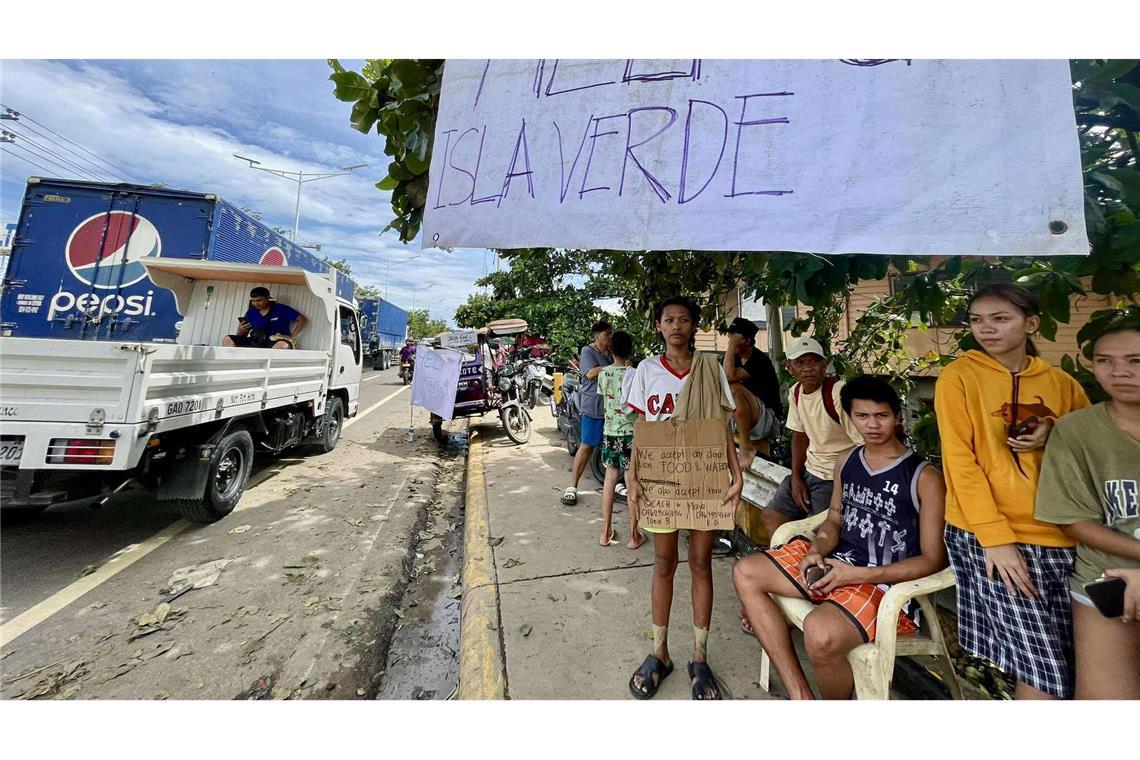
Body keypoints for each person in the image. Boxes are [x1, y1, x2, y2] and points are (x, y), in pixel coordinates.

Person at [733, 375, 947, 699]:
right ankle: (800, 695)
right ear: (850, 418)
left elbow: (933, 560)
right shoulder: (847, 462)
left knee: (821, 635)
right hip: (837, 563)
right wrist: (816, 550)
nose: (872, 425)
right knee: (746, 572)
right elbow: (834, 518)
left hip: (886, 586)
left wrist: (855, 575)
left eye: (881, 415)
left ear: (897, 416)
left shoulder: (923, 477)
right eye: (862, 416)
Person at [936, 282, 1089, 700]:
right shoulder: (959, 377)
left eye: (1000, 319)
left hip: (1062, 534)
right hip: (989, 536)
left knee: (1069, 659)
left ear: (1031, 323)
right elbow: (960, 461)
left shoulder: (1061, 384)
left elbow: (1088, 445)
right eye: (976, 320)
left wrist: (1052, 431)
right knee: (1043, 671)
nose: (986, 329)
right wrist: (995, 538)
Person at [624, 296, 743, 700]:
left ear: (694, 326)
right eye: (669, 319)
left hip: (704, 479)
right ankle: (660, 651)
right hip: (659, 480)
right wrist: (632, 474)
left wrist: (737, 473)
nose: (676, 326)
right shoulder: (646, 370)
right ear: (658, 325)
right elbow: (642, 428)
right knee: (663, 562)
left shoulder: (710, 368)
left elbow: (722, 427)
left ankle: (699, 656)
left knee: (701, 562)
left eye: (684, 320)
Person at [1035, 318, 1140, 699]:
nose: (1119, 372)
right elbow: (1073, 521)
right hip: (1105, 581)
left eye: (1135, 360)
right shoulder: (1076, 431)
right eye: (1105, 361)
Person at [761, 337, 863, 536]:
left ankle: (808, 554)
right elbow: (799, 436)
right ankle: (794, 555)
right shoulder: (796, 392)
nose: (808, 368)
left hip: (834, 478)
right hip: (810, 471)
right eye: (800, 363)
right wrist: (796, 477)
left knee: (819, 533)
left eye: (814, 361)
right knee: (772, 516)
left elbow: (864, 443)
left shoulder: (838, 393)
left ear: (825, 365)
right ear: (790, 368)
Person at [597, 330, 644, 549]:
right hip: (632, 434)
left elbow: (605, 399)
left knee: (609, 480)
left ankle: (605, 532)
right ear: (631, 350)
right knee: (631, 481)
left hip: (610, 432)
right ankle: (634, 536)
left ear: (610, 349)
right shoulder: (636, 374)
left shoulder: (604, 373)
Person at [561, 320, 613, 506]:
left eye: (611, 334)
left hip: (612, 408)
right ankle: (573, 486)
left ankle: (615, 484)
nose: (610, 337)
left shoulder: (611, 353)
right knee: (587, 445)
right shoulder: (588, 351)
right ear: (597, 336)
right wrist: (616, 366)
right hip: (594, 406)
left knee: (614, 446)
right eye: (607, 334)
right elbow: (590, 373)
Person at [722, 317, 783, 471]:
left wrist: (731, 346)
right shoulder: (733, 359)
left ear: (747, 341)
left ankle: (746, 447)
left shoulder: (759, 360)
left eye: (734, 338)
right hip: (744, 418)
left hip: (768, 420)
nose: (730, 341)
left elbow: (729, 377)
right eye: (729, 337)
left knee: (735, 389)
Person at [223, 287, 307, 349]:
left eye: (259, 300)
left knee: (281, 345)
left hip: (275, 341)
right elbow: (242, 336)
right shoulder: (250, 313)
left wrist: (292, 336)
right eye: (253, 301)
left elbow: (302, 319)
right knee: (227, 339)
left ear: (268, 298)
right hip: (257, 341)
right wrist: (240, 330)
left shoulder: (281, 309)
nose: (256, 304)